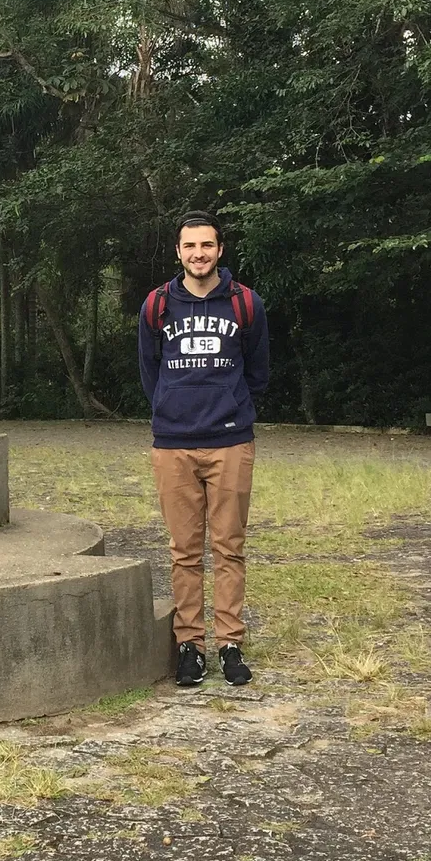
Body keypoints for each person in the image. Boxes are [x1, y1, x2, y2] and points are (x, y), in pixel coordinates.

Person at [137, 212, 270, 687]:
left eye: (207, 246)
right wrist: (174, 411)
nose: (199, 254)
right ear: (178, 252)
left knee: (229, 547)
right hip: (173, 446)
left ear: (220, 249)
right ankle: (190, 645)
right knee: (184, 551)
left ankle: (230, 641)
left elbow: (257, 372)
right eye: (190, 246)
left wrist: (228, 408)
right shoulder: (157, 306)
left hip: (231, 441)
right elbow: (150, 373)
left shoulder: (245, 304)